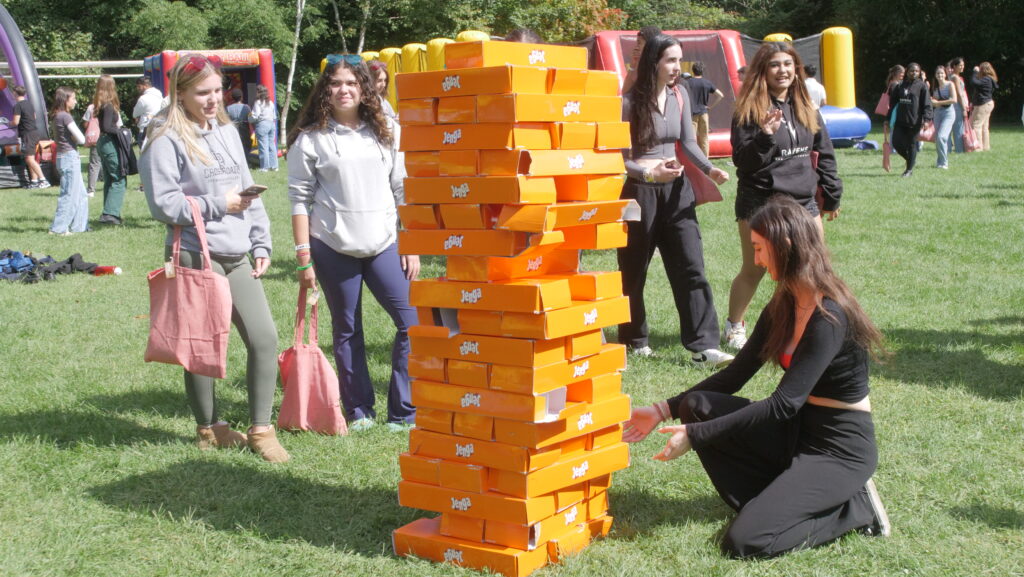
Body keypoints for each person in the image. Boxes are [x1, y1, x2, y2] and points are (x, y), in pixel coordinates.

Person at [623, 195, 890, 558]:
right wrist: (662, 409)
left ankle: (855, 509)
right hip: (798, 433)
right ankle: (776, 501)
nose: (757, 259)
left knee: (745, 541)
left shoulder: (830, 316)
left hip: (838, 447)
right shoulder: (785, 302)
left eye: (760, 248)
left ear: (788, 246)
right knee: (696, 404)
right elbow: (735, 375)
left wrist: (695, 435)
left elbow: (782, 405)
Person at [140, 53, 288, 463]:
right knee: (203, 345)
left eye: (218, 90)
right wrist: (217, 204)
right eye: (202, 93)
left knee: (264, 338)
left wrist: (261, 242)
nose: (213, 100)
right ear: (180, 93)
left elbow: (248, 190)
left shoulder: (225, 129)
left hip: (237, 252)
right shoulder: (164, 137)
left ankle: (261, 429)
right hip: (195, 253)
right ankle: (209, 428)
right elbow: (163, 204)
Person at [287, 53, 419, 432]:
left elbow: (402, 190)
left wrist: (409, 241)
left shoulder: (388, 130)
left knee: (412, 322)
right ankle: (359, 410)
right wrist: (303, 258)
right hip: (331, 246)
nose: (344, 90)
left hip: (385, 244)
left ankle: (403, 412)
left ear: (365, 88)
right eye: (335, 83)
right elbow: (299, 199)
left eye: (351, 82)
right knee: (347, 330)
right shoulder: (310, 139)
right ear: (325, 90)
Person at [617, 34, 733, 368]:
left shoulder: (680, 94)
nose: (676, 68)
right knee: (633, 271)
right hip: (639, 193)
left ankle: (703, 346)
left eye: (679, 60)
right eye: (670, 60)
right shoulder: (628, 102)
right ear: (653, 61)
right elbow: (619, 158)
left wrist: (710, 169)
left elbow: (688, 142)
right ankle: (634, 339)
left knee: (691, 266)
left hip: (677, 192)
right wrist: (650, 174)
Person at [724, 41, 842, 351]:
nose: (783, 70)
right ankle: (734, 327)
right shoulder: (748, 110)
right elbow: (744, 161)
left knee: (813, 266)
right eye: (775, 65)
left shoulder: (805, 105)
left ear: (796, 69)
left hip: (803, 201)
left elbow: (823, 152)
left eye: (788, 64)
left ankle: (803, 328)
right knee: (756, 269)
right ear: (763, 70)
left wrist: (830, 194)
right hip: (761, 201)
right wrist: (764, 135)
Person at [48, 87, 89, 235]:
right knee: (69, 194)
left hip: (62, 156)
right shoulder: (65, 116)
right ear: (66, 100)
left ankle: (80, 227)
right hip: (69, 157)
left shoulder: (56, 115)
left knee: (81, 194)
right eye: (73, 98)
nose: (76, 101)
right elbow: (82, 138)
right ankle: (58, 229)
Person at [93, 75, 128, 225]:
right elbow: (107, 127)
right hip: (109, 143)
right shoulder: (108, 106)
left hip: (102, 143)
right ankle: (110, 214)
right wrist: (122, 132)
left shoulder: (101, 105)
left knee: (109, 178)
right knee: (119, 178)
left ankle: (109, 212)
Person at [887, 62, 931, 177]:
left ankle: (909, 170)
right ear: (907, 72)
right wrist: (888, 118)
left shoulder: (922, 86)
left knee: (911, 144)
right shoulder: (900, 85)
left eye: (916, 71)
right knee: (896, 143)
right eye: (912, 71)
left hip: (914, 121)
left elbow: (927, 104)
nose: (914, 73)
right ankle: (911, 159)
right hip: (900, 120)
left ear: (919, 72)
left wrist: (927, 119)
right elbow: (893, 103)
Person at [12, 85, 48, 189]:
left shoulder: (17, 106)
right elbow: (34, 116)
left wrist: (8, 123)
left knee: (28, 159)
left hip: (27, 134)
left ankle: (43, 180)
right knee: (31, 158)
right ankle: (34, 181)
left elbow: (15, 122)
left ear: (15, 93)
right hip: (34, 133)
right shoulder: (29, 104)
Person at [686, 61, 725, 158]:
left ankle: (693, 158)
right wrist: (711, 106)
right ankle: (705, 160)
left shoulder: (688, 83)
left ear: (693, 70)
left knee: (691, 138)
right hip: (704, 113)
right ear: (702, 71)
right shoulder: (707, 83)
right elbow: (720, 95)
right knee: (704, 138)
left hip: (692, 114)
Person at [621, 26, 662, 95]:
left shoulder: (660, 66)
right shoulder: (640, 66)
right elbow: (625, 93)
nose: (636, 47)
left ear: (650, 45)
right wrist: (633, 66)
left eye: (639, 43)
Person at [930, 65, 957, 169]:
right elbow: (935, 102)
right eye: (938, 73)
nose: (940, 75)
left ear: (945, 74)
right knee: (938, 138)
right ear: (935, 75)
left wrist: (938, 102)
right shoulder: (936, 87)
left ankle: (944, 163)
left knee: (942, 136)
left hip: (948, 113)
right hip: (937, 113)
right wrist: (932, 102)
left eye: (941, 73)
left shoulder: (950, 84)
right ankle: (940, 162)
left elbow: (954, 100)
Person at [969, 62, 998, 151]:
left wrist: (975, 72)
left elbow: (974, 82)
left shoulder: (986, 79)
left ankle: (978, 147)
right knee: (984, 126)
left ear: (982, 70)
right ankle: (986, 146)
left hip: (983, 104)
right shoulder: (990, 79)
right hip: (988, 103)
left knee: (976, 125)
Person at [249, 84, 278, 171]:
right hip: (271, 124)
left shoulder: (258, 102)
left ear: (258, 92)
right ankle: (274, 166)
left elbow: (255, 116)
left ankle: (264, 167)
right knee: (271, 145)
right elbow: (274, 116)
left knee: (263, 146)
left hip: (262, 125)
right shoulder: (270, 102)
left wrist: (249, 119)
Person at [132, 76, 163, 148]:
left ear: (145, 86)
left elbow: (134, 114)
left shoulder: (143, 99)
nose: (138, 89)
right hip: (159, 129)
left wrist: (139, 116)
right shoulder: (159, 95)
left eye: (139, 86)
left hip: (145, 131)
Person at [947, 58, 968, 154]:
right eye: (960, 65)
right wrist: (964, 108)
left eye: (963, 65)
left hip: (954, 105)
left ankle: (949, 148)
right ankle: (959, 150)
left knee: (953, 127)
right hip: (957, 105)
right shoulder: (955, 77)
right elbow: (959, 94)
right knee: (958, 127)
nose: (962, 67)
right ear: (954, 66)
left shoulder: (952, 76)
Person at [225, 88, 253, 156]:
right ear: (241, 97)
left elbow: (226, 120)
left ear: (232, 98)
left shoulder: (228, 108)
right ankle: (246, 160)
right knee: (245, 144)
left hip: (233, 128)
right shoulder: (246, 107)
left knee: (234, 144)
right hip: (244, 128)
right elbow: (251, 119)